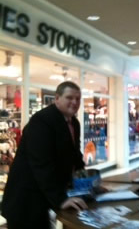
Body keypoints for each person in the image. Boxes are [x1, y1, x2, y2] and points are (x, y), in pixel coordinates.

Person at [1, 81, 88, 229]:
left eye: (78, 98)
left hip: (44, 194)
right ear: (57, 99)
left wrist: (89, 183)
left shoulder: (74, 122)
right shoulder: (42, 121)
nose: (74, 102)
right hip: (25, 198)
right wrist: (61, 199)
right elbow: (41, 164)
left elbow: (75, 156)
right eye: (69, 97)